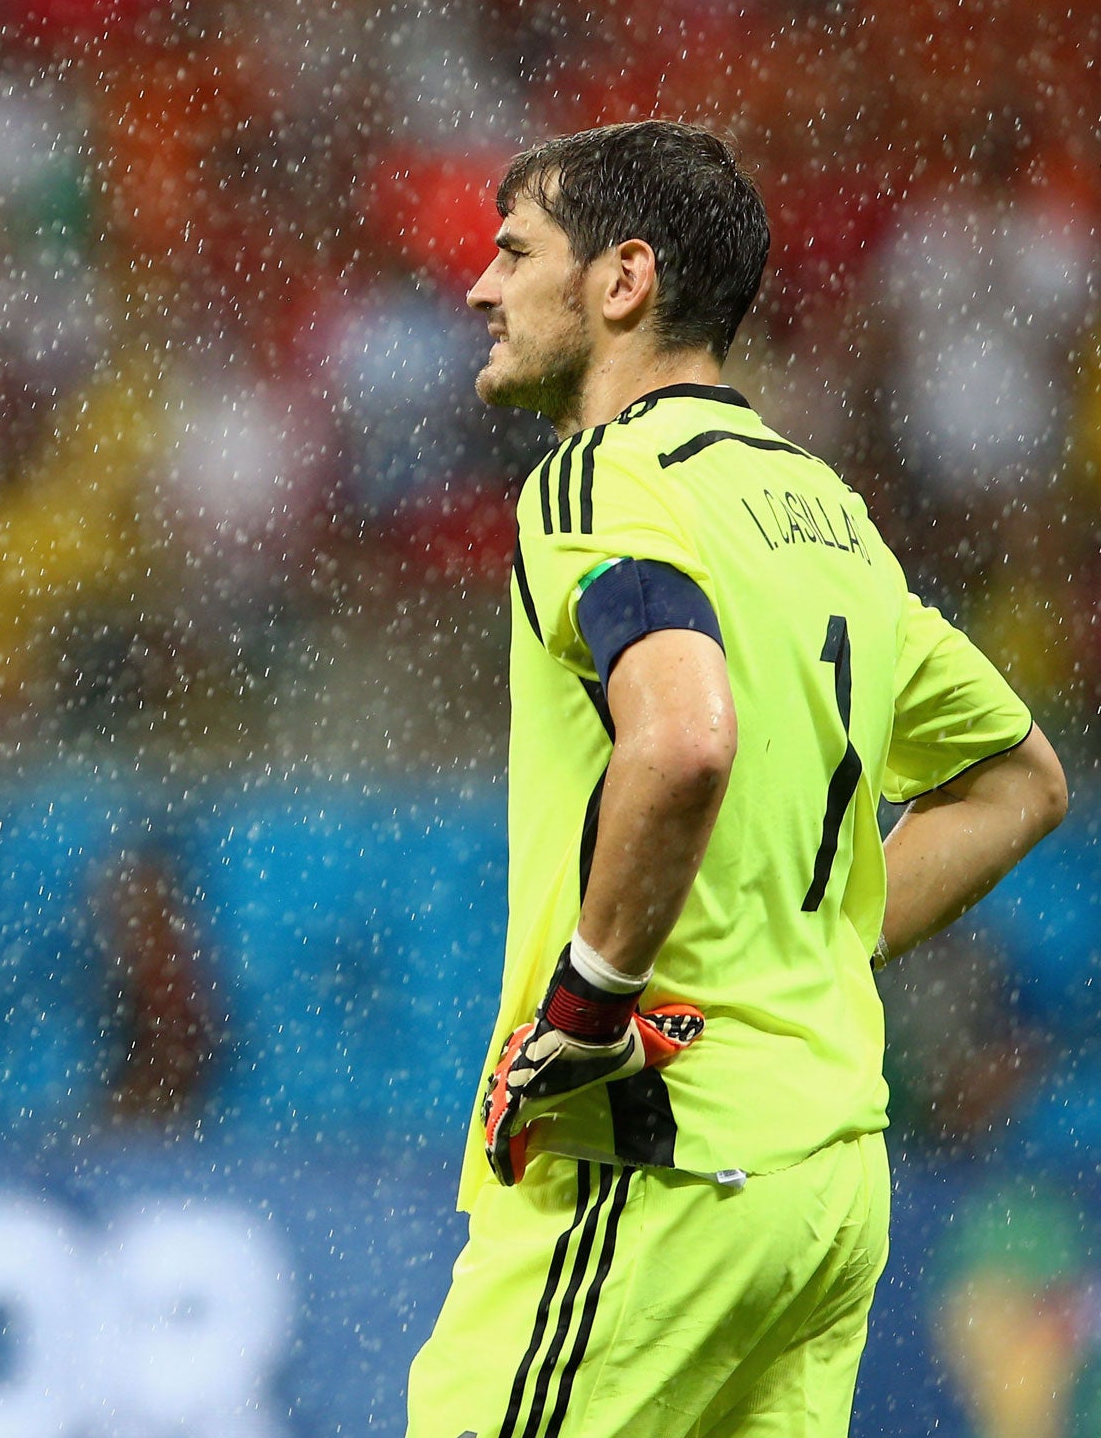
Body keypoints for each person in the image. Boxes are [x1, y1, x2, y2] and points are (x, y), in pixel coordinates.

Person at [405, 120, 1069, 1438]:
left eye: (513, 253)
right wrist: (805, 947)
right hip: (826, 1179)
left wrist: (589, 1007)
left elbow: (685, 733)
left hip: (655, 1157)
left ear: (621, 279)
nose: (481, 289)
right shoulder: (827, 516)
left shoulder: (596, 479)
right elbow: (1018, 780)